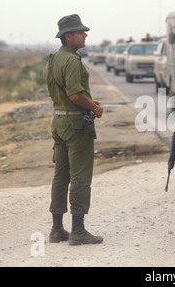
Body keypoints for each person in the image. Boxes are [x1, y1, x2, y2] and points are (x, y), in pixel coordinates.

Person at [45, 14, 104, 246]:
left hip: (59, 121)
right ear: (68, 37)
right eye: (81, 32)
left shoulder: (53, 60)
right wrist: (94, 108)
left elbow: (62, 95)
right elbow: (75, 95)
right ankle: (78, 231)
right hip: (75, 125)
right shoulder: (71, 60)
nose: (85, 34)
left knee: (61, 177)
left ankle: (57, 230)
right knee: (80, 177)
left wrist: (87, 102)